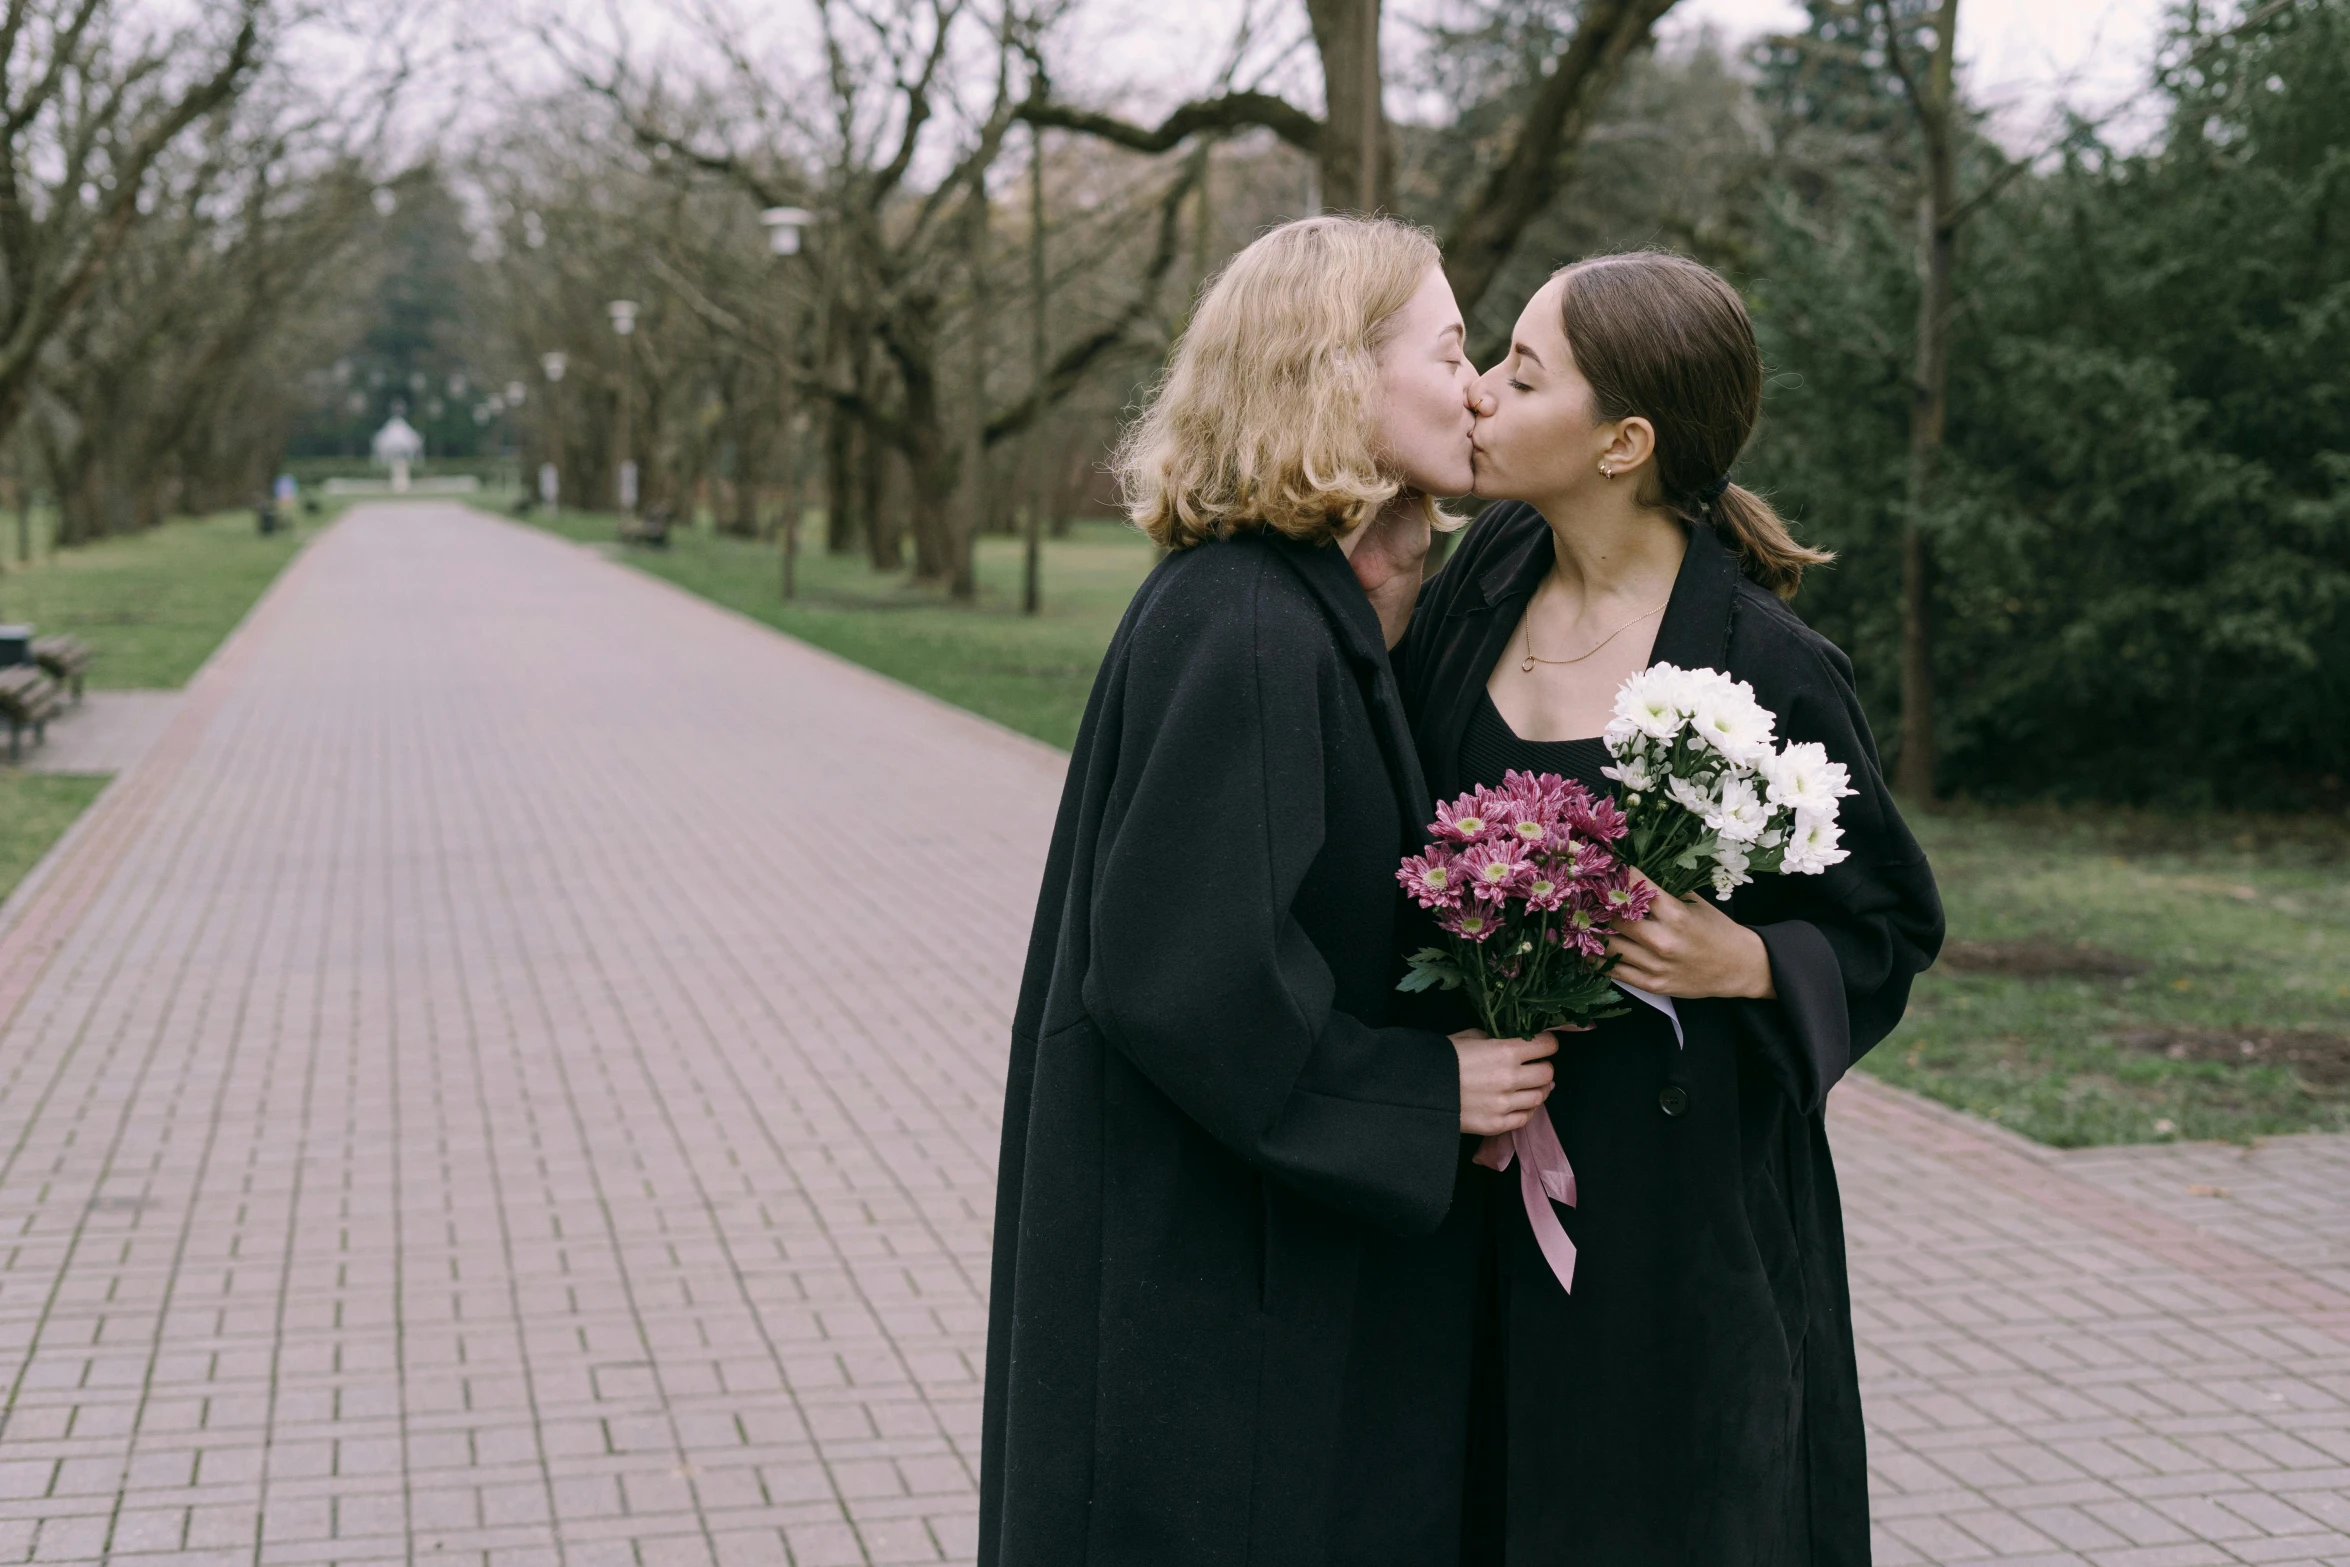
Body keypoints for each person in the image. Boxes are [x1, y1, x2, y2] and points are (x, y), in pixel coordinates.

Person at [978, 215, 1559, 1567]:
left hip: (1225, 1269)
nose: (1476, 388)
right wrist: (1424, 1093)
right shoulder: (1248, 627)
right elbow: (1180, 977)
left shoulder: (1271, 602)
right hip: (1215, 1313)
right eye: (1452, 348)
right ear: (1333, 372)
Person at [1395, 251, 1945, 1564]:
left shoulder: (1766, 666)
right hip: (1465, 1172)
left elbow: (1886, 923)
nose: (1474, 394)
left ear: (1621, 442)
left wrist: (1750, 958)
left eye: (1517, 373)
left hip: (1676, 1225)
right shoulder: (1480, 582)